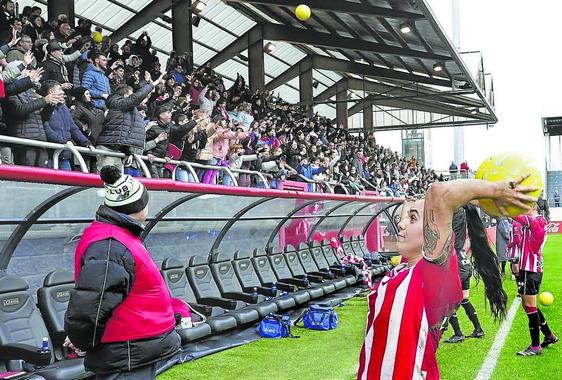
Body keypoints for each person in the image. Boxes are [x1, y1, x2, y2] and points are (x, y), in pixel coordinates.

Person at [357, 176, 536, 379]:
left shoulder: (431, 275)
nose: (401, 223)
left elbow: (439, 194)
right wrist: (413, 205)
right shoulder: (402, 270)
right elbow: (420, 202)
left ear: (441, 232)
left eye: (413, 218)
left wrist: (494, 190)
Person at [64, 166, 181, 378]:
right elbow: (93, 303)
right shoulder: (111, 244)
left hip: (131, 349)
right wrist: (82, 340)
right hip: (127, 351)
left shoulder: (117, 237)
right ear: (138, 206)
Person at [512, 207, 558, 356]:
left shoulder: (536, 220)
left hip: (530, 269)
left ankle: (535, 346)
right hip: (531, 268)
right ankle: (549, 335)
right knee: (529, 306)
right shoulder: (538, 220)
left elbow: (512, 214)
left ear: (532, 206)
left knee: (530, 307)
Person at [444, 207, 485, 344]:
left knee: (447, 302)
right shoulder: (462, 220)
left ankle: (458, 333)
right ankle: (478, 329)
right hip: (464, 262)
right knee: (464, 299)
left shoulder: (450, 226)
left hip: (456, 264)